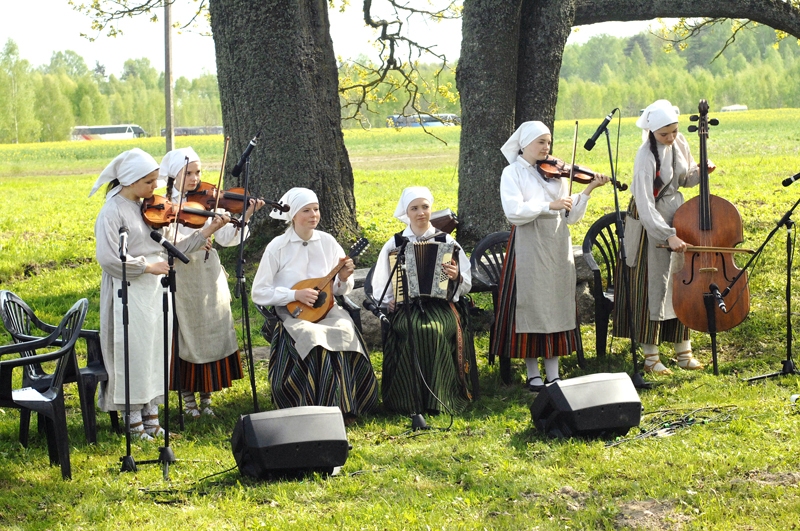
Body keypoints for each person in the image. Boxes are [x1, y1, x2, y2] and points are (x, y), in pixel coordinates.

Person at [90, 148, 229, 440]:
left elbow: (173, 247)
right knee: (134, 352)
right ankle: (133, 422)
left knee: (155, 351)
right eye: (149, 182)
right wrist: (146, 267)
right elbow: (109, 259)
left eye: (155, 180)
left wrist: (208, 231)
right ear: (130, 180)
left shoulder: (148, 207)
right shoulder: (112, 211)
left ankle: (152, 418)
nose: (156, 186)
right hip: (128, 290)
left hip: (155, 289)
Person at [491, 121, 609, 392]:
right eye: (541, 142)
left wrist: (587, 190)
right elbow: (514, 212)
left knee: (555, 304)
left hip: (556, 243)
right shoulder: (512, 173)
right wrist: (548, 205)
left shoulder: (557, 174)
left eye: (549, 142)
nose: (547, 147)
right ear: (525, 144)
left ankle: (553, 373)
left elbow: (570, 217)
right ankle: (533, 373)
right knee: (531, 306)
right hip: (529, 243)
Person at [251, 187, 378, 421]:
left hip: (327, 309)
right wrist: (294, 295)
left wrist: (343, 278)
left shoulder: (328, 242)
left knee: (344, 330)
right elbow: (259, 292)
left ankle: (345, 404)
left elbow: (338, 290)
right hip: (292, 312)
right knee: (312, 336)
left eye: (316, 209)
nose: (313, 215)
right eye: (306, 210)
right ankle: (310, 404)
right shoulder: (277, 247)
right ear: (293, 215)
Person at [161, 147, 265, 418]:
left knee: (209, 331)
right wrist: (199, 236)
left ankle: (206, 398)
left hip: (207, 274)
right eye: (188, 173)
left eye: (197, 172)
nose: (195, 178)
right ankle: (188, 400)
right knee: (186, 335)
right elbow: (166, 243)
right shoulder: (164, 205)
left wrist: (246, 215)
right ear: (174, 175)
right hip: (182, 276)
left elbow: (227, 239)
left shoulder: (209, 200)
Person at [612, 99, 710, 374]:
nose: (670, 137)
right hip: (649, 223)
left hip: (676, 214)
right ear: (652, 131)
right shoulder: (645, 156)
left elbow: (685, 179)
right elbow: (644, 204)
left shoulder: (680, 143)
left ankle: (683, 351)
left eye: (674, 131)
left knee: (679, 282)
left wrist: (701, 171)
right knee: (652, 286)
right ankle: (651, 357)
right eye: (664, 134)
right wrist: (667, 235)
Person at [370, 187, 474, 420]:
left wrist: (456, 276)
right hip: (406, 307)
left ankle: (441, 397)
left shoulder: (446, 241)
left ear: (431, 209)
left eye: (425, 207)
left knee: (433, 330)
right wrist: (389, 302)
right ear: (406, 212)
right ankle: (408, 400)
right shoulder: (395, 243)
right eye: (414, 208)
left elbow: (467, 282)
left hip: (441, 306)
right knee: (413, 329)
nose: (420, 213)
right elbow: (381, 283)